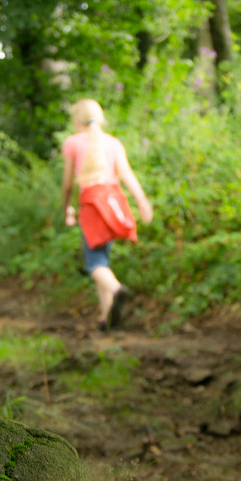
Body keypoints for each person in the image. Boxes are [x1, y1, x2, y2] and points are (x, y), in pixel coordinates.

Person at [60, 98, 153, 331]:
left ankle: (116, 290)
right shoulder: (112, 143)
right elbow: (127, 175)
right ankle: (106, 318)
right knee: (103, 260)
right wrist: (142, 201)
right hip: (113, 202)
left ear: (76, 120)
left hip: (92, 204)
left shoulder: (73, 143)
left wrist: (66, 207)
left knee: (94, 264)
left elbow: (67, 184)